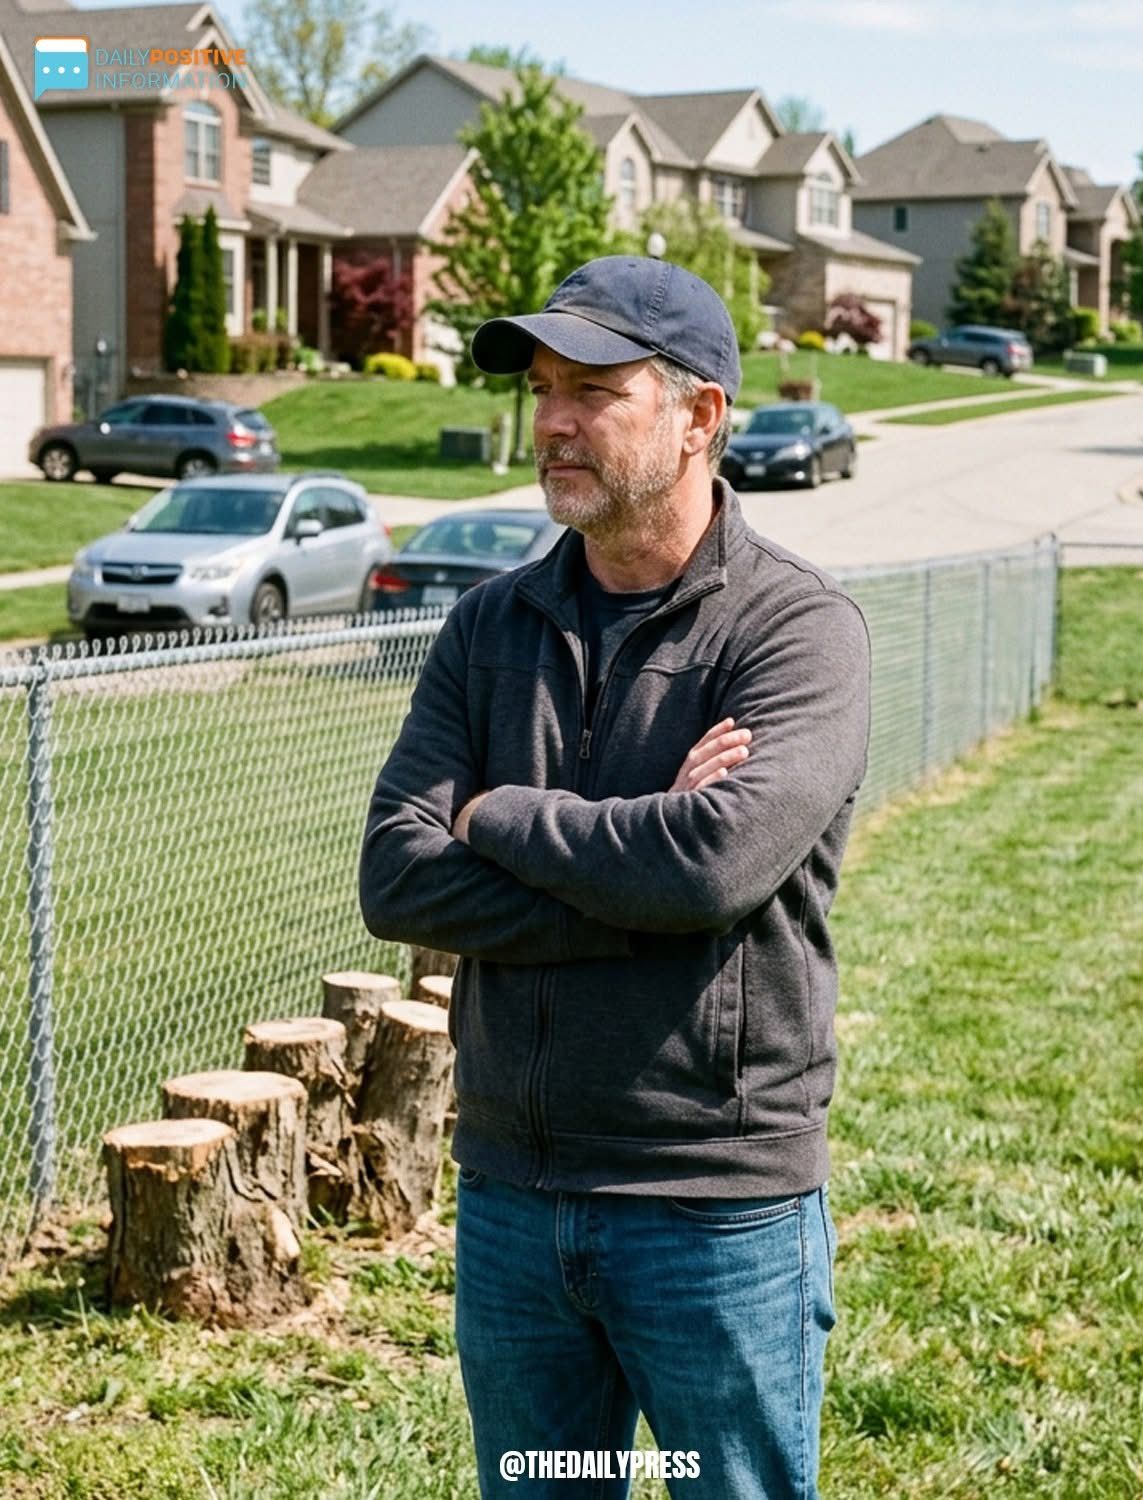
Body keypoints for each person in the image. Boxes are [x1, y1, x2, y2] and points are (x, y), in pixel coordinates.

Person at [360, 256, 871, 1499]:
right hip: (516, 1209)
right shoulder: (490, 630)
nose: (551, 421)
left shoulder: (794, 631)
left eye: (593, 387)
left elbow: (708, 870)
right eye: (542, 388)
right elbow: (398, 880)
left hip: (712, 1213)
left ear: (700, 416)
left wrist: (497, 812)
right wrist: (634, 873)